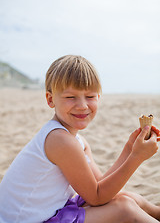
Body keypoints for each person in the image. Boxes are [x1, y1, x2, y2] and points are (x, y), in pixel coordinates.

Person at [0, 55, 160, 223]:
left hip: (48, 212)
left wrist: (129, 149)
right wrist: (137, 157)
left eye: (90, 96)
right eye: (70, 97)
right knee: (125, 210)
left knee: (126, 197)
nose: (82, 105)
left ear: (98, 97)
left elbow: (101, 184)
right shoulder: (60, 140)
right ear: (50, 99)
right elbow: (96, 197)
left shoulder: (78, 141)